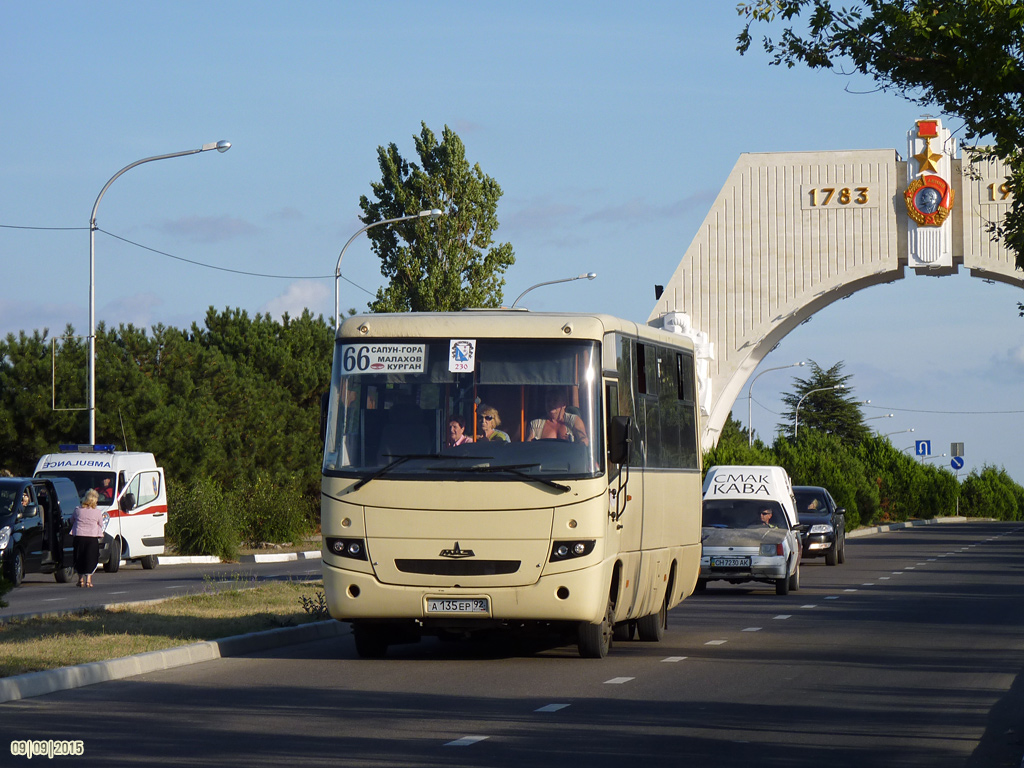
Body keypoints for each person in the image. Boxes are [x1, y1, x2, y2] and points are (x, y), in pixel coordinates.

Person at [71, 489, 105, 588]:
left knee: (79, 557)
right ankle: (88, 580)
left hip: (79, 536)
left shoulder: (77, 510)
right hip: (92, 537)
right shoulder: (97, 512)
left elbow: (71, 520)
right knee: (91, 558)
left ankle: (80, 579)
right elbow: (101, 524)